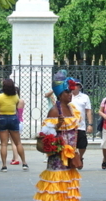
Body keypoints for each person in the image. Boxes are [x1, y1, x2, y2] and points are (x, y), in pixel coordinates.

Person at [33, 70, 81, 200]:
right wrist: (57, 126)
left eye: (70, 92)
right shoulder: (54, 111)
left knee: (68, 186)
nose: (70, 95)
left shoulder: (72, 109)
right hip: (58, 156)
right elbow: (45, 134)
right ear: (60, 94)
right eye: (67, 92)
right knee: (55, 187)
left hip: (70, 156)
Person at [0, 79, 29, 171]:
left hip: (2, 118)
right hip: (13, 118)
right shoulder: (15, 96)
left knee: (4, 144)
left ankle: (4, 166)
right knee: (18, 142)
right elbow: (17, 106)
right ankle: (24, 163)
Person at [71, 79, 93, 170]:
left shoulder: (85, 97)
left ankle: (80, 157)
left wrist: (90, 124)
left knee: (83, 144)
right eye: (73, 85)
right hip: (69, 125)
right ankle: (73, 160)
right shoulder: (67, 96)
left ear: (80, 87)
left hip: (81, 125)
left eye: (77, 85)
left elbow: (88, 111)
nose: (75, 87)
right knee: (71, 144)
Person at [9, 86, 25, 165]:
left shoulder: (13, 101)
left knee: (13, 142)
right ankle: (14, 157)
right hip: (21, 122)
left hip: (14, 121)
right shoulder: (21, 101)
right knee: (18, 141)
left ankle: (16, 158)